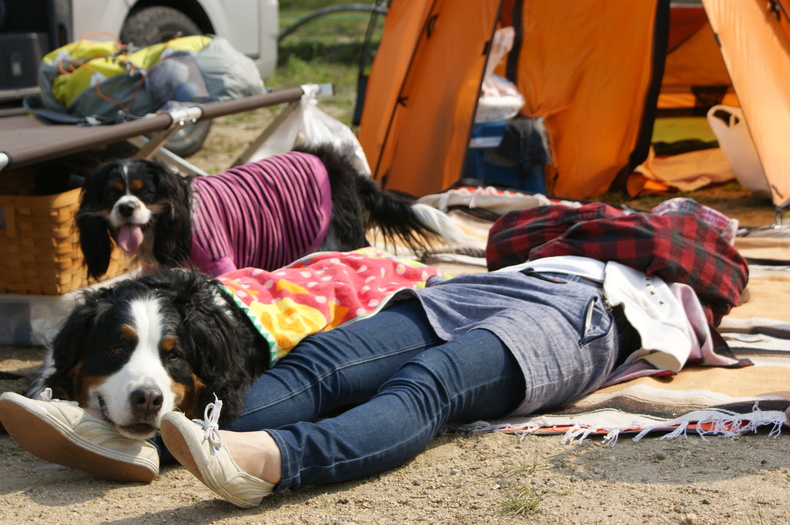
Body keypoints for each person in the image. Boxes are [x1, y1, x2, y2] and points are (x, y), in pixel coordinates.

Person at [0, 200, 748, 509]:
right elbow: (508, 237)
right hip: (478, 289)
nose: (671, 216)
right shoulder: (585, 225)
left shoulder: (690, 263)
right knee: (323, 361)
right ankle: (145, 441)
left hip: (589, 317)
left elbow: (717, 270)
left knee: (432, 384)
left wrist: (649, 226)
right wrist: (590, 220)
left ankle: (261, 460)